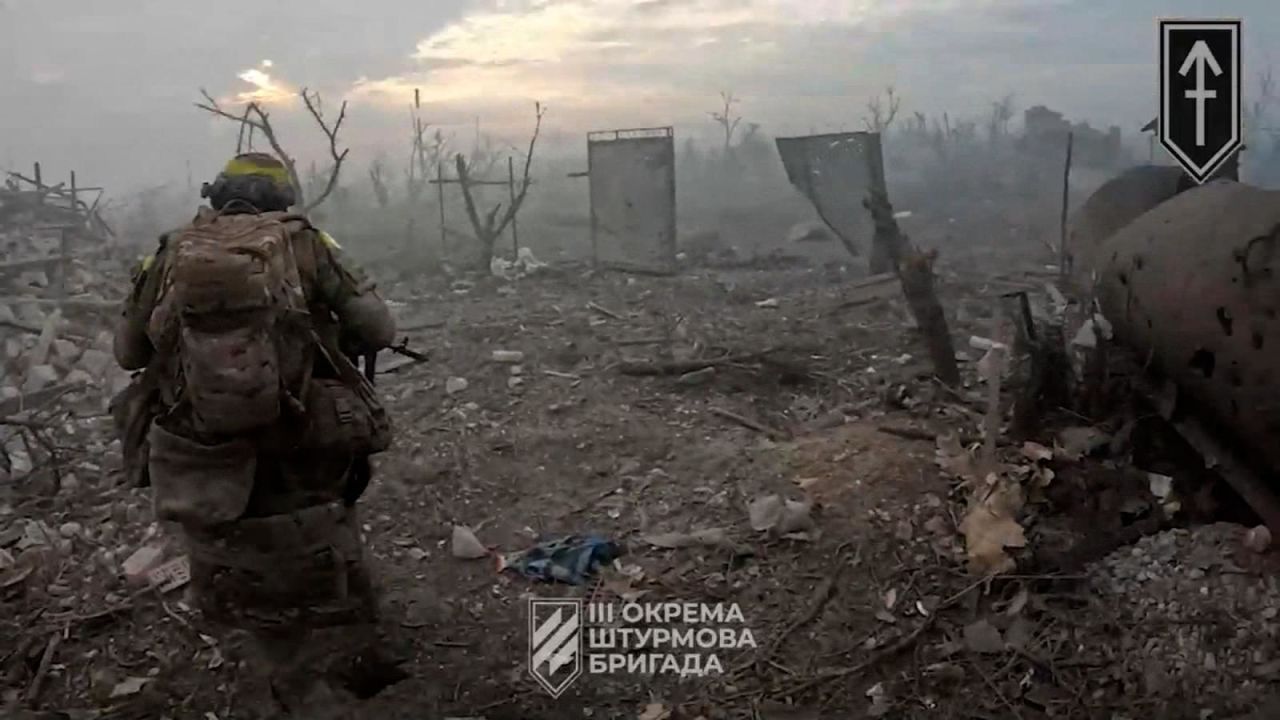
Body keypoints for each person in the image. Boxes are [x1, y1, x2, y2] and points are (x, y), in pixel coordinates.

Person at [112, 152, 403, 717]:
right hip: (302, 433)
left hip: (205, 447)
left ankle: (285, 673)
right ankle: (359, 644)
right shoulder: (308, 243)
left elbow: (128, 352)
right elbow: (380, 329)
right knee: (329, 519)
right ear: (282, 198)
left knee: (234, 545)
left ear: (217, 195)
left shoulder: (170, 251)